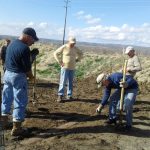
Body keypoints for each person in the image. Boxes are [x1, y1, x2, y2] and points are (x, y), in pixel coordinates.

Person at [1, 27, 39, 136]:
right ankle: (17, 128)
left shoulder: (11, 44)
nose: (33, 43)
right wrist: (31, 77)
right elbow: (27, 69)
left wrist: (30, 57)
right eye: (33, 40)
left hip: (7, 74)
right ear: (27, 36)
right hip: (18, 76)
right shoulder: (24, 48)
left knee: (6, 97)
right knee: (20, 100)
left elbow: (13, 60)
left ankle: (3, 121)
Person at [54, 37, 83, 102]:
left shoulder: (75, 48)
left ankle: (69, 95)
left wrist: (78, 59)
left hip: (72, 68)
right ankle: (60, 95)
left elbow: (81, 54)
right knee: (63, 81)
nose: (73, 44)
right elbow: (55, 53)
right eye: (72, 43)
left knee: (70, 82)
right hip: (65, 68)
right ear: (68, 42)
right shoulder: (64, 47)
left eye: (74, 43)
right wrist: (59, 61)